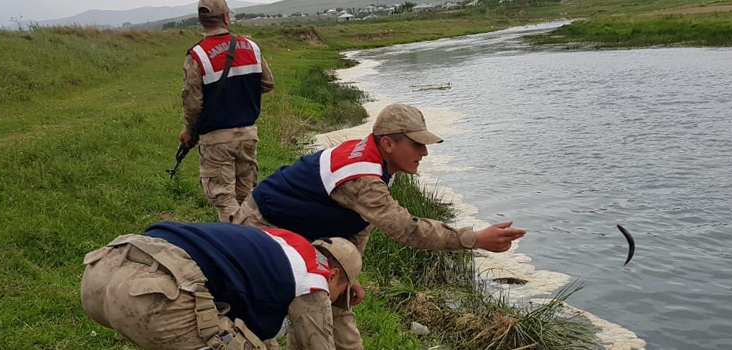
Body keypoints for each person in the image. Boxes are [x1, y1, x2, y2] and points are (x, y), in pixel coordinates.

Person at [232, 103, 527, 350]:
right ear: (388, 143)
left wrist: (348, 275)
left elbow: (360, 222)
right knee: (287, 314)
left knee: (338, 306)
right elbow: (406, 229)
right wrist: (474, 239)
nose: (424, 152)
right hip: (264, 229)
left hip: (302, 230)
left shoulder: (381, 164)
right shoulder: (365, 178)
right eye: (417, 144)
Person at [80, 222, 360, 350]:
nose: (330, 302)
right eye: (337, 297)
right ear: (334, 275)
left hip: (105, 267)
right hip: (154, 294)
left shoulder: (281, 243)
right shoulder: (315, 282)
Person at [181, 0, 275, 222]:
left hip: (216, 140)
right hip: (248, 135)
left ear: (201, 21)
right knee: (246, 196)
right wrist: (242, 94)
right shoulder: (251, 47)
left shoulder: (197, 55)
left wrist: (188, 130)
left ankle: (240, 246)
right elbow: (268, 84)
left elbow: (192, 103)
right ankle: (258, 241)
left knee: (224, 199)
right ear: (226, 18)